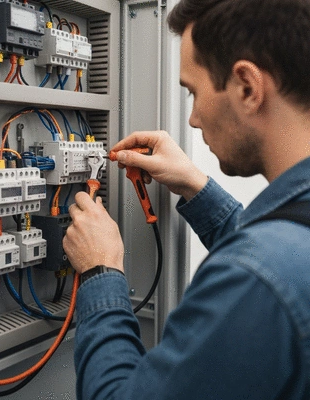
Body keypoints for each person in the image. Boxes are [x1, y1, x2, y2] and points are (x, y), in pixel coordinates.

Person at [62, 0, 310, 398]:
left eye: (193, 92)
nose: (192, 118)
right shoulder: (279, 256)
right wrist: (197, 186)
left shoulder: (254, 280)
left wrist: (100, 271)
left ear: (247, 87)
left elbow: (266, 272)